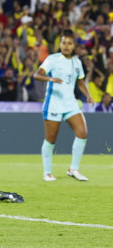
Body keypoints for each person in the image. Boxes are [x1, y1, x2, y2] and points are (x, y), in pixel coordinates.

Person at [33, 29, 95, 182]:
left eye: (69, 43)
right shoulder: (52, 59)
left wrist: (88, 95)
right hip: (53, 104)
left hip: (70, 104)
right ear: (60, 45)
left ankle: (73, 169)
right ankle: (47, 172)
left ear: (74, 46)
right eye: (63, 43)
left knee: (82, 133)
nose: (66, 46)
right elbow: (36, 75)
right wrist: (50, 79)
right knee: (51, 139)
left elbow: (80, 81)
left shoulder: (76, 62)